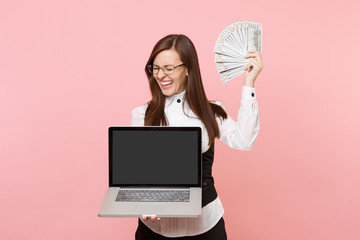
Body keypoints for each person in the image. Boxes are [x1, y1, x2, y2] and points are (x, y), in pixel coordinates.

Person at [131, 34, 263, 239]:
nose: (160, 75)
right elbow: (138, 172)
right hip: (154, 231)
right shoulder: (141, 114)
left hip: (206, 227)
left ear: (188, 70)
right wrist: (142, 203)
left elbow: (244, 141)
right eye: (155, 68)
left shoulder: (211, 111)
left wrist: (249, 85)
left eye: (168, 68)